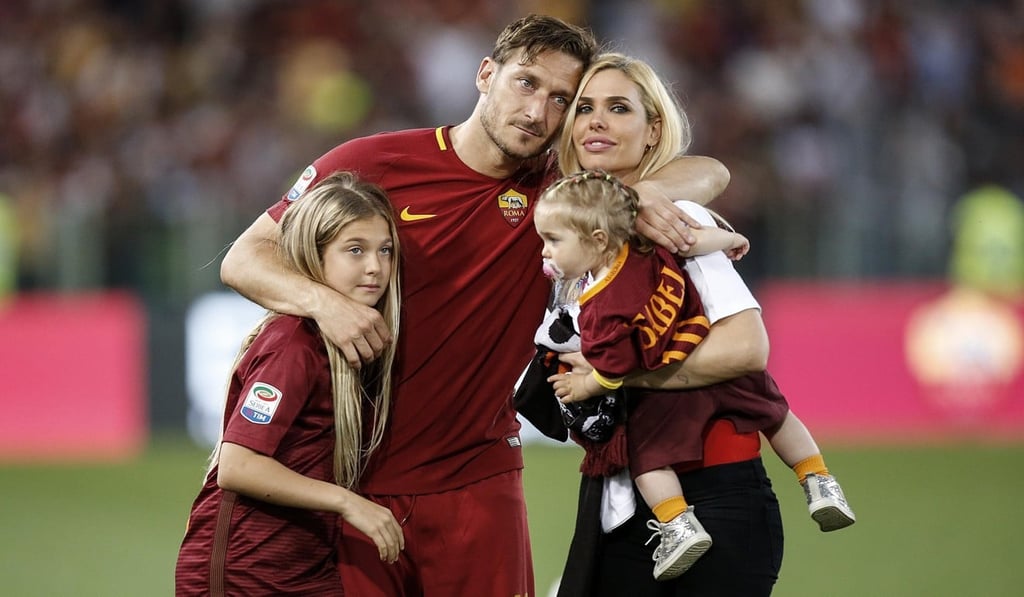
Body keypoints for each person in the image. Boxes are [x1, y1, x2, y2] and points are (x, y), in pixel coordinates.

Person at [218, 14, 737, 597]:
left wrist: (639, 192)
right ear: (486, 74)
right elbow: (244, 257)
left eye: (561, 99)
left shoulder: (561, 192)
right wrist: (325, 305)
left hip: (479, 481)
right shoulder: (376, 162)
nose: (538, 111)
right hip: (358, 482)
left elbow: (709, 171)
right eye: (527, 83)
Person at [542, 52, 854, 596]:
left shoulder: (675, 221)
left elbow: (746, 351)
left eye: (618, 108)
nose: (595, 121)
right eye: (584, 108)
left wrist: (607, 372)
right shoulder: (569, 238)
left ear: (651, 130)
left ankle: (818, 478)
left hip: (711, 493)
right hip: (619, 502)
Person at [175, 172, 406, 595]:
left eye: (385, 250)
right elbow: (238, 466)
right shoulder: (293, 345)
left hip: (304, 566)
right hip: (245, 571)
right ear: (315, 258)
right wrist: (347, 502)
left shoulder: (348, 342)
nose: (376, 266)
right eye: (355, 250)